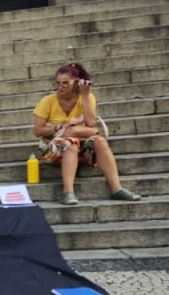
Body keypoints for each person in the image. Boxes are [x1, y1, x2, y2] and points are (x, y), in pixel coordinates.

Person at [32, 62, 140, 206]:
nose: (60, 86)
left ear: (77, 83)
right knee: (71, 142)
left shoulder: (87, 97)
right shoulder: (47, 101)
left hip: (83, 148)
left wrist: (85, 96)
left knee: (99, 141)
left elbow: (91, 123)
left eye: (65, 83)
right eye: (58, 83)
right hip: (54, 149)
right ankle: (68, 192)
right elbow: (38, 131)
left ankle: (116, 189)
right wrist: (60, 127)